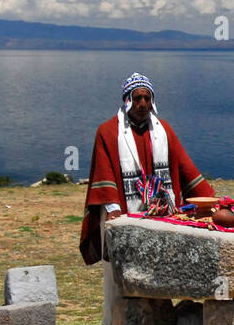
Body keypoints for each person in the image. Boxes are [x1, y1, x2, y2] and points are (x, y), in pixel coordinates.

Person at [78, 72, 215, 271]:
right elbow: (103, 174)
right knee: (125, 274)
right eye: (137, 98)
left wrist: (208, 199)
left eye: (147, 98)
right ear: (127, 100)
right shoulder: (108, 132)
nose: (142, 104)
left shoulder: (164, 131)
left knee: (163, 269)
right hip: (125, 213)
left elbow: (184, 166)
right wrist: (113, 211)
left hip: (163, 213)